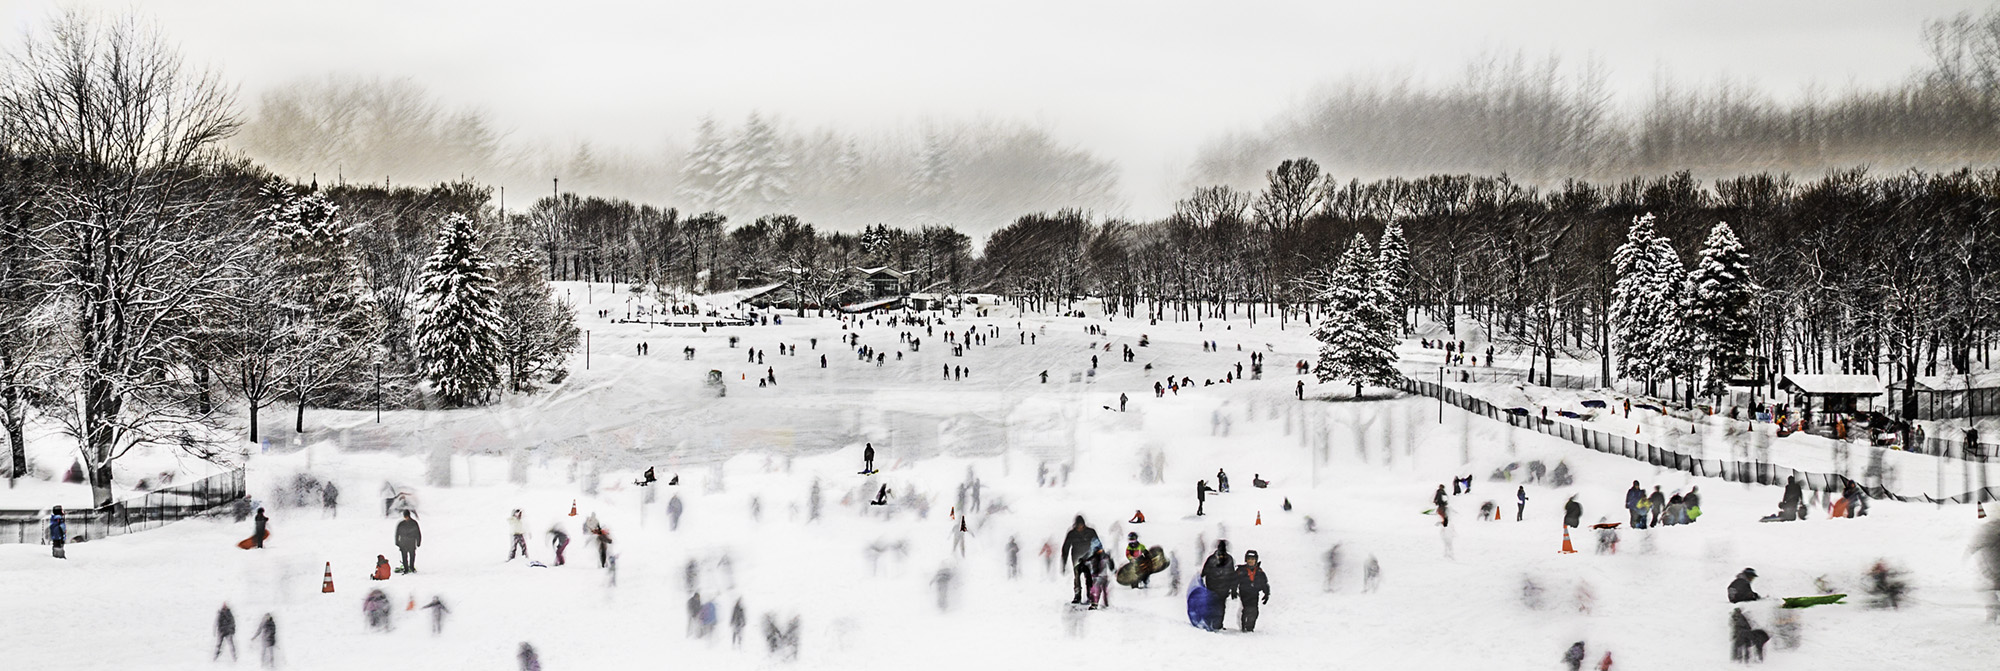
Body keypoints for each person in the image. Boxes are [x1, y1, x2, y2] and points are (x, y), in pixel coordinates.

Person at [1061, 516, 1103, 604]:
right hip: (1076, 558)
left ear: (1084, 525)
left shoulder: (1091, 532)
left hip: (1089, 558)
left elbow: (1097, 544)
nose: (1079, 528)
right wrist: (1064, 563)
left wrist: (1101, 556)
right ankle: (1077, 596)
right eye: (1078, 526)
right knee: (1077, 577)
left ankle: (1090, 595)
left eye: (1081, 525)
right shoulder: (1071, 534)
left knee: (1088, 577)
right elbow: (1065, 548)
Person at [1201, 541, 1236, 630]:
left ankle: (1217, 625)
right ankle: (1211, 624)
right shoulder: (1224, 559)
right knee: (1214, 607)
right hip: (1214, 589)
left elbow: (1232, 575)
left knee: (1219, 608)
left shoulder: (1214, 559)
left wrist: (1233, 589)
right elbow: (1204, 572)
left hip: (1221, 589)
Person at [1233, 550, 1271, 632]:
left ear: (1256, 560)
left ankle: (1250, 627)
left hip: (1254, 593)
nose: (1250, 561)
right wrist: (1233, 590)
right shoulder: (1241, 570)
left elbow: (1264, 583)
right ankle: (1244, 626)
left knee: (1254, 610)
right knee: (1247, 609)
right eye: (1249, 559)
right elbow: (1234, 581)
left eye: (1252, 559)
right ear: (1246, 560)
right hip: (1244, 592)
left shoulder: (1259, 571)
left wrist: (1266, 593)